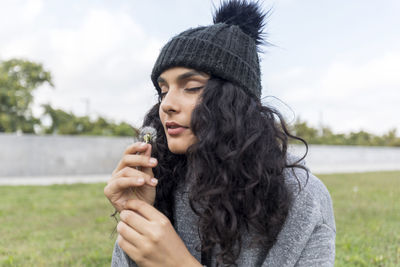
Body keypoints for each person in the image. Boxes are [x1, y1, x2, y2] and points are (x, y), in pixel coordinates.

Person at [104, 1, 336, 266]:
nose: (166, 104)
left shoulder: (303, 196)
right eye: (163, 90)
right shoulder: (162, 182)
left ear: (234, 101)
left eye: (191, 87)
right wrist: (139, 211)